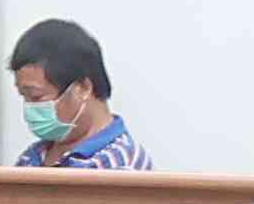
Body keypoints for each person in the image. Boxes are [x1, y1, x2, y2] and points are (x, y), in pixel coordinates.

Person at [8, 17, 149, 170]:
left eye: (36, 97)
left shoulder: (120, 166)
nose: (29, 109)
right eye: (24, 96)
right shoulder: (32, 157)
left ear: (82, 88)